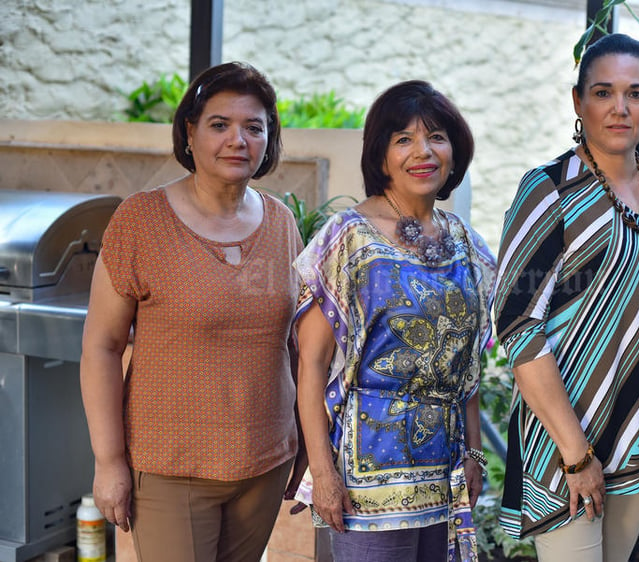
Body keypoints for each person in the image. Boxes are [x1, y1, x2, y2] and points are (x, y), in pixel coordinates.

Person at [80, 61, 305, 562]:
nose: (237, 140)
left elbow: (292, 343)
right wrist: (109, 461)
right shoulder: (141, 220)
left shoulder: (283, 222)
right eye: (219, 125)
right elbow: (102, 345)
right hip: (169, 467)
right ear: (190, 131)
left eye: (254, 127)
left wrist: (306, 437)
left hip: (265, 462)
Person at [493, 34, 639, 562]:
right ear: (578, 102)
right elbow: (518, 326)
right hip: (563, 445)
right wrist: (576, 454)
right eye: (603, 92)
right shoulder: (549, 191)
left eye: (636, 94)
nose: (620, 108)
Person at [293, 80, 496, 562]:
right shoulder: (348, 239)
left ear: (454, 150)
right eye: (403, 139)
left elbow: (467, 368)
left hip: (444, 470)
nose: (422, 152)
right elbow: (312, 365)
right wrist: (322, 471)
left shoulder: (466, 243)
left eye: (437, 137)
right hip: (367, 477)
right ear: (380, 155)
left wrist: (472, 452)